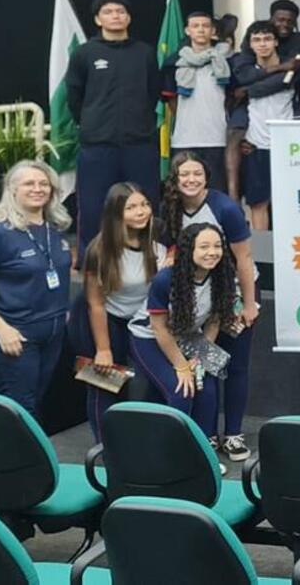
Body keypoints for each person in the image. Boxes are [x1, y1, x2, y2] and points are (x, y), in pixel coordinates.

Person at [159, 151, 260, 462]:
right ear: (175, 180)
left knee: (235, 365)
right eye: (184, 175)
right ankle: (209, 435)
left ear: (206, 177)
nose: (191, 180)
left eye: (197, 174)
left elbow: (243, 258)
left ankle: (233, 434)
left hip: (231, 296)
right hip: (195, 300)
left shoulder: (225, 208)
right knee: (207, 364)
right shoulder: (170, 207)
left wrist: (249, 302)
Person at [0, 161, 72, 418]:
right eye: (29, 183)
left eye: (44, 184)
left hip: (51, 337)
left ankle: (21, 458)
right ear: (12, 189)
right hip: (13, 337)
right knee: (19, 412)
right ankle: (10, 459)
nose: (38, 189)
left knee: (33, 404)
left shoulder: (54, 232)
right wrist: (2, 329)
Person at [129, 223, 243, 441]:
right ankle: (176, 454)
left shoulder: (222, 275)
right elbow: (159, 327)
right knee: (182, 390)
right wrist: (181, 366)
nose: (212, 252)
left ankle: (204, 449)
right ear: (189, 249)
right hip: (150, 337)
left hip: (189, 337)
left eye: (217, 246)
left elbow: (214, 321)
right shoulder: (166, 279)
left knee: (207, 390)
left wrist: (199, 357)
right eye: (204, 247)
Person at [66, 0, 162, 251]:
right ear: (98, 19)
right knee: (94, 206)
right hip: (98, 146)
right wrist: (92, 124)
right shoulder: (85, 53)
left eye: (120, 11)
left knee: (144, 204)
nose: (115, 16)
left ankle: (147, 261)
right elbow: (75, 97)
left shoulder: (145, 53)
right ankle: (93, 264)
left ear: (129, 17)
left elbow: (153, 93)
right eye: (108, 12)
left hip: (139, 144)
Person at [68, 182, 164, 439]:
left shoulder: (158, 236)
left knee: (151, 380)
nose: (141, 211)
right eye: (131, 207)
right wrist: (103, 349)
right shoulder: (99, 250)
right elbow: (96, 303)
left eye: (144, 204)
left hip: (141, 319)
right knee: (105, 384)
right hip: (105, 318)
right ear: (116, 213)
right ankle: (104, 447)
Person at [233, 21, 300, 231]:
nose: (263, 44)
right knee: (258, 204)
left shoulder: (293, 70)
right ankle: (262, 260)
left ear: (276, 42)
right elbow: (239, 89)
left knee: (289, 203)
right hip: (256, 145)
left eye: (267, 39)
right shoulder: (245, 71)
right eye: (257, 40)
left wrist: (249, 89)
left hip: (288, 147)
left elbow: (289, 81)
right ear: (250, 45)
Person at [160, 10, 233, 192]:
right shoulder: (174, 62)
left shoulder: (227, 60)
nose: (201, 30)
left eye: (206, 26)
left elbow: (234, 96)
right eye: (195, 26)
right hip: (185, 138)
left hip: (218, 138)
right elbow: (171, 101)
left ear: (213, 30)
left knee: (216, 192)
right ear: (187, 30)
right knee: (183, 193)